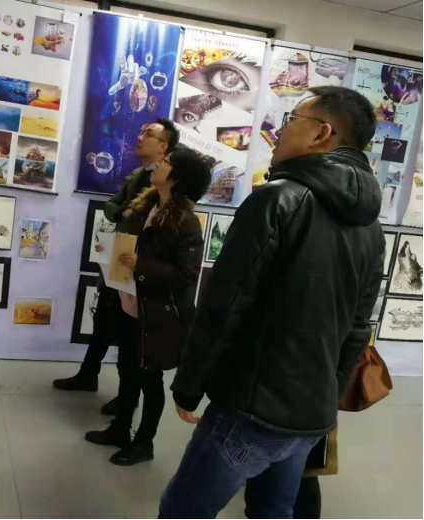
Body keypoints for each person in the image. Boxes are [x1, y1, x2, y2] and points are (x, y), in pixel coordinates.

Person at [159, 86, 385, 519]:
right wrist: (327, 395)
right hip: (311, 413)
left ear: (321, 133)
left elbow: (226, 303)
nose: (278, 132)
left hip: (251, 407)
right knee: (273, 512)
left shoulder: (277, 198)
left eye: (290, 121)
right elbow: (359, 326)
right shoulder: (370, 226)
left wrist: (189, 385)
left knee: (182, 511)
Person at [85, 147, 212, 467]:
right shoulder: (146, 205)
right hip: (130, 305)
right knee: (127, 372)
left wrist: (141, 264)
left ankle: (144, 444)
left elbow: (186, 275)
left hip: (156, 316)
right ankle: (120, 430)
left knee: (149, 382)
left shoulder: (185, 221)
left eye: (166, 162)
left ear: (177, 177)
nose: (158, 164)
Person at [53, 119, 180, 416]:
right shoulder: (139, 174)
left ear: (164, 147)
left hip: (138, 265)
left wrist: (125, 213)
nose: (140, 137)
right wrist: (124, 212)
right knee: (104, 321)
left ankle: (127, 399)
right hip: (120, 256)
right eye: (142, 132)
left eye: (148, 134)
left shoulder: (165, 183)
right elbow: (112, 209)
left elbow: (149, 222)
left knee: (128, 336)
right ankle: (88, 374)